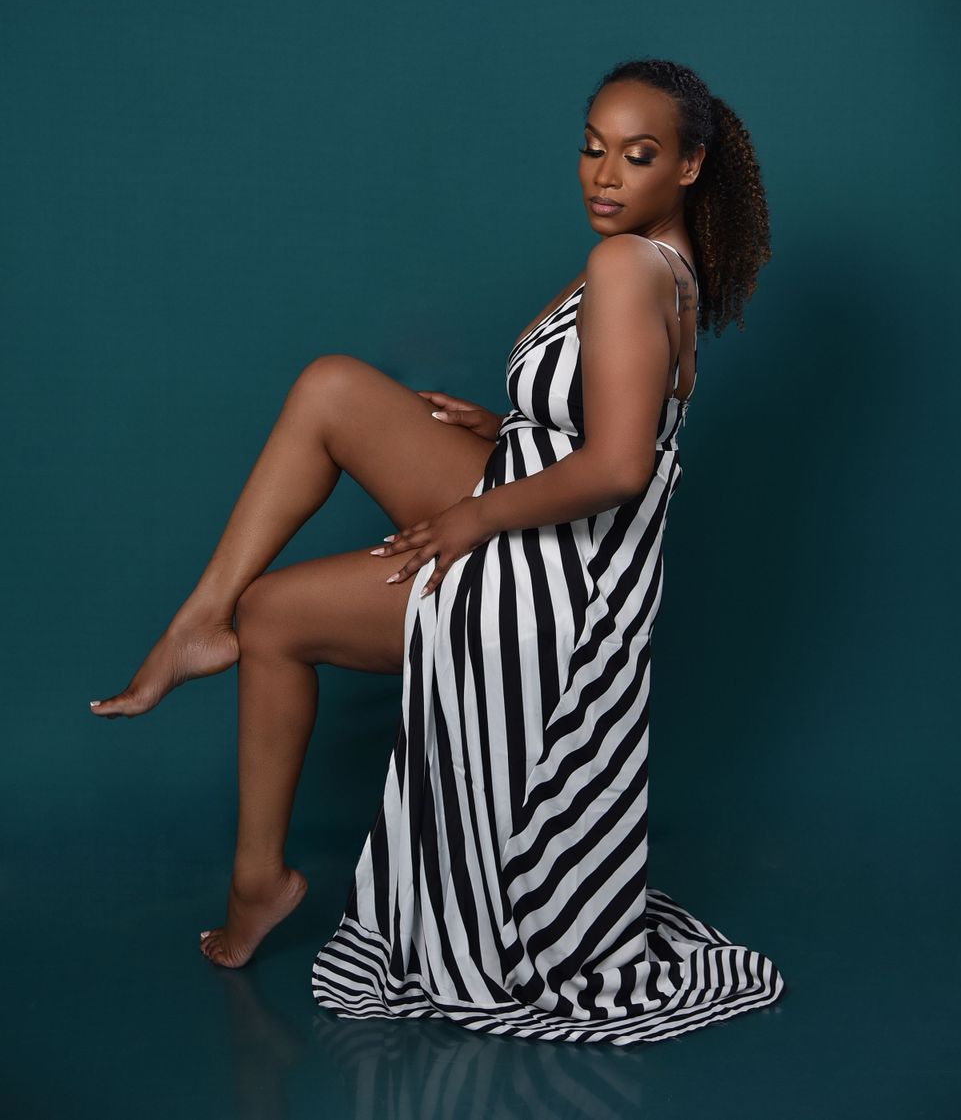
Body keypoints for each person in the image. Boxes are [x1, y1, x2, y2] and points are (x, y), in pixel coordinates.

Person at [90, 57, 786, 1044]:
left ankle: (257, 876)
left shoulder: (627, 267)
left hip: (562, 577)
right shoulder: (654, 260)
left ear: (689, 164)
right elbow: (614, 422)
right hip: (547, 515)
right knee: (332, 388)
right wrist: (509, 428)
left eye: (636, 156)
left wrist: (471, 520)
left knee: (274, 612)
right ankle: (199, 626)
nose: (603, 175)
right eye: (591, 148)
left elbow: (622, 465)